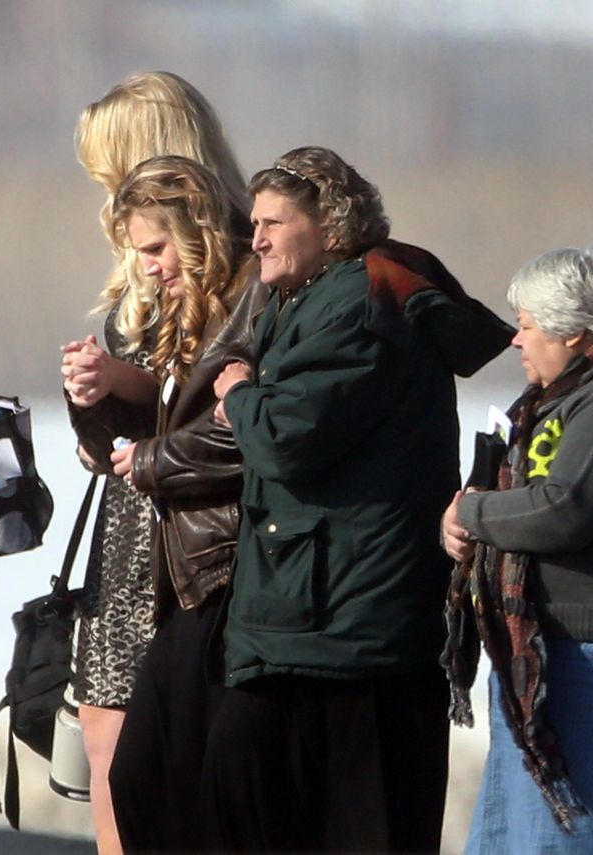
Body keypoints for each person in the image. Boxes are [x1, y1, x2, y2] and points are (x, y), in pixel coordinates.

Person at [205, 146, 512, 853]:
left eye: (274, 223)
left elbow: (287, 439)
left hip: (352, 621)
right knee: (256, 796)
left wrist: (239, 394)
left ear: (331, 225)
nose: (256, 239)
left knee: (357, 820)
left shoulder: (359, 304)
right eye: (255, 223)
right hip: (314, 611)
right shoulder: (313, 296)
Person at [60, 71, 248, 855]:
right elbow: (133, 418)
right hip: (130, 522)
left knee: (154, 759)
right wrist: (94, 398)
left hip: (184, 536)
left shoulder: (234, 270)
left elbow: (207, 406)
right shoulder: (144, 272)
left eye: (111, 167)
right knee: (107, 740)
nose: (104, 190)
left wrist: (124, 392)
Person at [441, 247, 593, 853]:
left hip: (581, 661)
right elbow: (494, 497)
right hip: (531, 656)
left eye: (528, 325)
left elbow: (565, 507)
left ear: (573, 332)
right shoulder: (539, 406)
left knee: (567, 831)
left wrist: (472, 515)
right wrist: (458, 523)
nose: (516, 340)